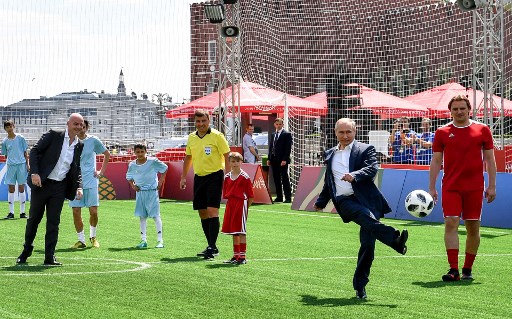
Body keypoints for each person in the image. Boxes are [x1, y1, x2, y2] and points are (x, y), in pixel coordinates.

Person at [314, 118, 409, 299]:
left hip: (368, 200)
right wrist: (321, 201)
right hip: (344, 201)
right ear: (336, 133)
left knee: (367, 245)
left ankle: (360, 287)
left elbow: (372, 168)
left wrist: (354, 175)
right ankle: (394, 239)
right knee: (364, 215)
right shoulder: (330, 154)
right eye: (341, 132)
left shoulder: (365, 149)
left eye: (348, 132)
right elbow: (329, 182)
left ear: (355, 131)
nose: (345, 135)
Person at [429, 95, 496, 282]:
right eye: (455, 109)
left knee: (472, 227)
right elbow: (436, 160)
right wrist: (431, 187)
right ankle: (453, 269)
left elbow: (490, 160)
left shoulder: (482, 130)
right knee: (451, 222)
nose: (459, 112)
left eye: (462, 108)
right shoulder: (442, 132)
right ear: (450, 111)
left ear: (469, 110)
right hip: (451, 187)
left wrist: (492, 185)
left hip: (475, 187)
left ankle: (467, 268)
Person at [16, 113, 84, 266]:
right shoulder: (54, 135)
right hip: (42, 185)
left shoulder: (79, 145)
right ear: (68, 123)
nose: (79, 127)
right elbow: (34, 151)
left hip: (60, 187)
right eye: (76, 123)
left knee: (54, 222)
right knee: (34, 219)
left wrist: (79, 187)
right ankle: (26, 251)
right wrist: (34, 173)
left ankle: (49, 256)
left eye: (81, 124)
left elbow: (76, 168)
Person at [180, 109, 230, 260]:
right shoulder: (191, 138)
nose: (200, 124)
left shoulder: (217, 136)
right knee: (202, 212)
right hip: (199, 177)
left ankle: (211, 246)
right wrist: (183, 177)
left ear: (209, 121)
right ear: (194, 122)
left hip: (215, 176)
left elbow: (228, 156)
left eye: (203, 121)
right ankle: (211, 246)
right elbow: (188, 158)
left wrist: (228, 176)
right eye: (198, 121)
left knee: (212, 211)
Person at [69, 119, 110, 249]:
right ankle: (81, 240)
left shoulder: (93, 140)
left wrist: (101, 172)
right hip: (74, 181)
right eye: (78, 126)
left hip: (91, 180)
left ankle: (93, 237)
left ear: (86, 128)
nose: (80, 128)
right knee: (76, 211)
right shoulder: (70, 141)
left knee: (93, 211)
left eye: (83, 126)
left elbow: (106, 154)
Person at [126, 143, 168, 249]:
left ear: (146, 152)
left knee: (155, 215)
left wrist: (160, 182)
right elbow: (129, 177)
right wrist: (133, 185)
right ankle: (143, 240)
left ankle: (160, 241)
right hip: (140, 193)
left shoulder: (152, 161)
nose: (140, 154)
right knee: (142, 216)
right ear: (134, 152)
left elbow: (164, 168)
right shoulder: (132, 164)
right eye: (137, 152)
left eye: (142, 152)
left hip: (152, 192)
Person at [221, 152, 254, 265]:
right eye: (233, 161)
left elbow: (251, 196)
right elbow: (226, 192)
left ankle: (243, 257)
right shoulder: (226, 177)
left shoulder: (245, 177)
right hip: (231, 204)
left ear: (241, 162)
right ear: (229, 163)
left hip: (241, 204)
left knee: (241, 231)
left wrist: (245, 207)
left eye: (237, 161)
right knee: (234, 231)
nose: (235, 164)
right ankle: (236, 256)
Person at [2, 120, 29, 220]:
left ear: (14, 126)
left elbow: (25, 152)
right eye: (7, 127)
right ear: (5, 129)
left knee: (21, 187)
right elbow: (5, 155)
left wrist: (28, 164)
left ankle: (22, 212)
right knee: (11, 188)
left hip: (21, 165)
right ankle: (11, 213)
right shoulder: (4, 142)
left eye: (10, 126)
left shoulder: (21, 138)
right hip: (11, 166)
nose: (9, 128)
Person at [268, 118, 292, 203]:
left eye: (280, 124)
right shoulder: (273, 134)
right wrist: (269, 158)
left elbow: (288, 148)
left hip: (282, 160)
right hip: (274, 159)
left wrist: (285, 159)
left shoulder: (287, 134)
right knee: (276, 178)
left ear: (282, 124)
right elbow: (271, 147)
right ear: (274, 124)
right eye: (277, 124)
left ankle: (288, 197)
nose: (278, 126)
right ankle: (279, 196)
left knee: (284, 178)